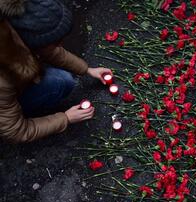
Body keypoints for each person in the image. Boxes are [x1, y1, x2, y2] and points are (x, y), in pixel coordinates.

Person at [0, 0, 113, 143]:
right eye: (55, 42)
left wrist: (87, 70)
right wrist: (65, 118)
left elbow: (50, 51)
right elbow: (16, 131)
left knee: (63, 80)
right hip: (5, 106)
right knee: (61, 83)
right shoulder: (3, 82)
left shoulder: (15, 27)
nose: (60, 45)